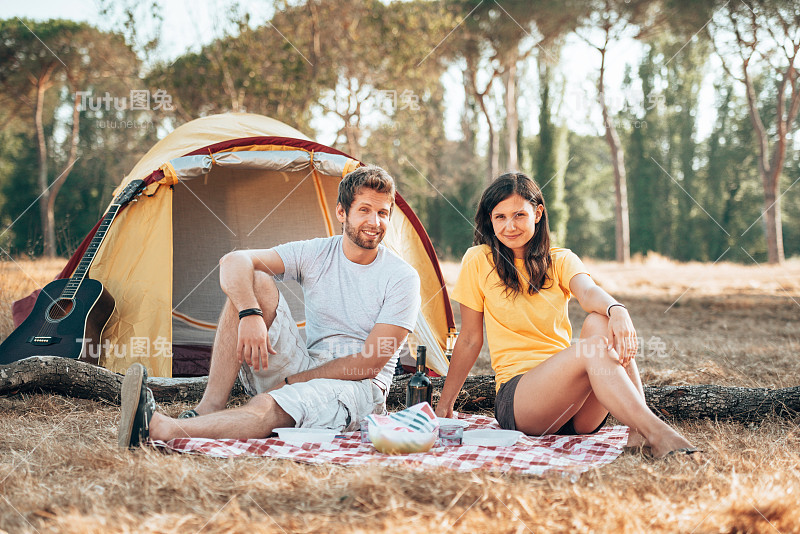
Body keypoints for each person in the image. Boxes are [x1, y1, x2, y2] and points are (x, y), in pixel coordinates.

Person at [118, 166, 421, 448]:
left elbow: (369, 363)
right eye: (365, 210)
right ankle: (209, 406)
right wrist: (249, 313)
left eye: (383, 213)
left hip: (360, 387)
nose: (375, 222)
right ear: (342, 212)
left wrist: (291, 383)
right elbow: (234, 261)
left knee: (267, 406)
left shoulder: (402, 278)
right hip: (307, 362)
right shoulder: (317, 253)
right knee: (257, 280)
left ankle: (161, 429)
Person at [434, 172, 699, 458]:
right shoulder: (478, 259)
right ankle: (659, 433)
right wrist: (445, 403)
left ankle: (638, 432)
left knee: (601, 320)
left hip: (578, 411)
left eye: (519, 215)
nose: (509, 226)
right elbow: (471, 339)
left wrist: (617, 309)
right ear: (490, 220)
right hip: (523, 403)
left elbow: (587, 292)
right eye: (500, 217)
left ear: (538, 213)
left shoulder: (560, 259)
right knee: (594, 346)